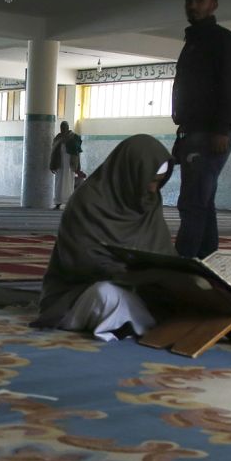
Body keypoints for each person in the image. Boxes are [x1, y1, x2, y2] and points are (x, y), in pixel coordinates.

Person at [35, 134, 174, 340]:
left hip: (141, 289)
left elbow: (164, 252)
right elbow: (80, 262)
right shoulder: (88, 201)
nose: (153, 189)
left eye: (159, 182)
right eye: (151, 181)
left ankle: (149, 320)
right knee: (107, 296)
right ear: (131, 173)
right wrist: (129, 276)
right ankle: (153, 322)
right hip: (81, 292)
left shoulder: (149, 202)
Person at [170, 0, 231, 258]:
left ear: (213, 5)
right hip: (193, 130)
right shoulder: (193, 42)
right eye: (190, 0)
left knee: (192, 202)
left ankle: (184, 263)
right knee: (203, 201)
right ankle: (207, 261)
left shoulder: (222, 40)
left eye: (199, 0)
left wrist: (223, 128)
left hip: (211, 132)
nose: (193, 5)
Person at [48, 120, 83, 209]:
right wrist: (52, 164)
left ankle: (69, 202)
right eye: (61, 127)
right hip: (59, 164)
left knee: (69, 183)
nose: (63, 128)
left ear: (68, 127)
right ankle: (58, 202)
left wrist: (78, 166)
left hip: (70, 165)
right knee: (58, 183)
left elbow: (77, 153)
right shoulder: (58, 138)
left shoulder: (74, 137)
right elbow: (53, 152)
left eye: (64, 126)